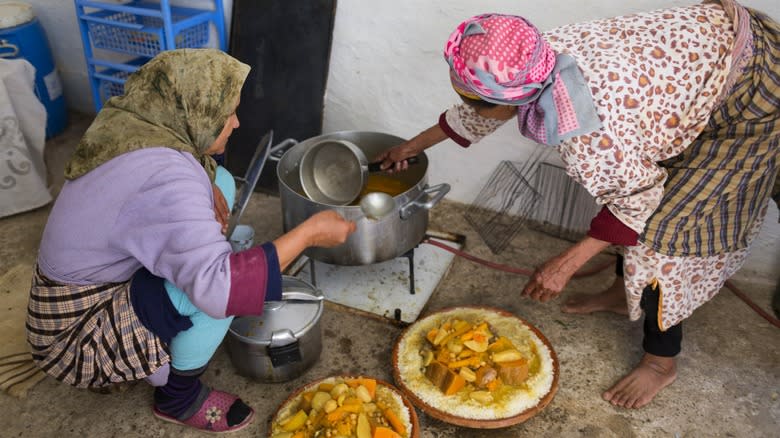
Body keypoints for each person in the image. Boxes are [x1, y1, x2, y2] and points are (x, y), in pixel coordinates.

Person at [377, 0, 779, 409]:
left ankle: (661, 363)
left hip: (752, 93)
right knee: (626, 191)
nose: (478, 106)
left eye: (480, 100)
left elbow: (634, 203)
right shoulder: (531, 57)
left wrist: (564, 265)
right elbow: (482, 110)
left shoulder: (593, 137)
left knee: (662, 235)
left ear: (513, 98)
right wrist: (410, 147)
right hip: (706, 57)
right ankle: (624, 293)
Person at [26, 49, 356, 433]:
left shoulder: (134, 123)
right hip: (74, 334)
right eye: (226, 113)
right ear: (193, 111)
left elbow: (187, 172)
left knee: (222, 183)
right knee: (217, 291)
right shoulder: (167, 179)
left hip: (86, 281)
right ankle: (177, 399)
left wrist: (205, 178)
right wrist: (309, 233)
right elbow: (221, 288)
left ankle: (174, 296)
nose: (236, 122)